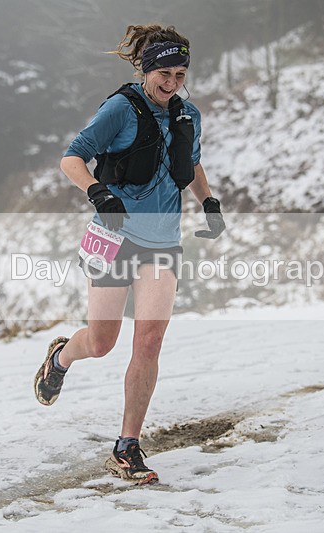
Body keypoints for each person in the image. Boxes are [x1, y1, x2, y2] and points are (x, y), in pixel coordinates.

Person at [33, 24, 225, 485]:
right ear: (146, 68)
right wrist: (97, 192)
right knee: (101, 343)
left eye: (181, 74)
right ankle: (61, 357)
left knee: (150, 342)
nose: (173, 82)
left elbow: (191, 161)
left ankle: (126, 447)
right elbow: (71, 158)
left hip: (161, 242)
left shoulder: (187, 114)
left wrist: (209, 201)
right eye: (165, 72)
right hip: (112, 237)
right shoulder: (120, 108)